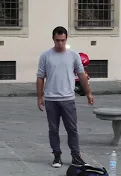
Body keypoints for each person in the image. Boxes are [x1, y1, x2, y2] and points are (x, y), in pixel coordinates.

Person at [36, 26, 94, 168]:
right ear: (53, 39)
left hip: (68, 98)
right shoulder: (45, 56)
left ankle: (76, 156)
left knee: (72, 129)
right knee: (53, 129)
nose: (60, 43)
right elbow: (40, 77)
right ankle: (57, 156)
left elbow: (81, 75)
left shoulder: (73, 55)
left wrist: (88, 93)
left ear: (66, 39)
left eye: (62, 40)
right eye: (57, 40)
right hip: (51, 99)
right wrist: (39, 97)